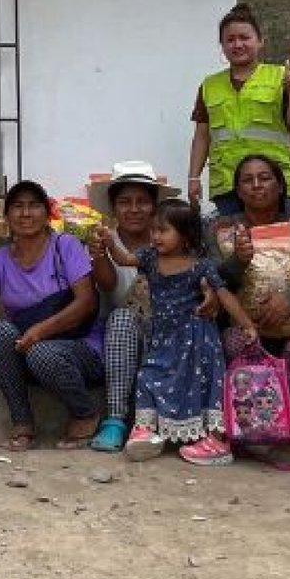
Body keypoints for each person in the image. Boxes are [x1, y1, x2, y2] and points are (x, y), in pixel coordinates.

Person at [205, 153, 290, 457]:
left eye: (265, 178)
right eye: (247, 180)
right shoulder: (222, 230)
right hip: (249, 329)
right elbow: (214, 279)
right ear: (238, 191)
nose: (256, 186)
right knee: (235, 341)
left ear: (280, 186)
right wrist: (237, 262)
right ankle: (256, 420)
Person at [101, 199, 254, 464]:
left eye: (163, 230)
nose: (155, 236)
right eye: (154, 230)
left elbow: (225, 296)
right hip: (163, 337)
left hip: (197, 339)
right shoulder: (149, 257)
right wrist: (109, 243)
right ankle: (145, 430)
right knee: (149, 376)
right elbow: (124, 258)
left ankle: (217, 441)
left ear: (185, 235)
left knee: (203, 386)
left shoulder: (201, 265)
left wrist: (247, 324)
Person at [0, 181, 101, 451]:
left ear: (47, 213)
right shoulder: (0, 259)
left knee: (41, 353)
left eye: (34, 206)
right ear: (7, 217)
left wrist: (40, 331)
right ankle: (22, 423)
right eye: (18, 207)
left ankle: (85, 413)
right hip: (29, 350)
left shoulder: (65, 246)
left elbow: (86, 303)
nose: (26, 213)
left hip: (79, 349)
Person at [83, 161, 179, 452]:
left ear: (155, 207)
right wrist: (100, 256)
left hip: (164, 334)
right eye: (125, 202)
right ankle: (115, 419)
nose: (134, 209)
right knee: (123, 318)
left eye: (142, 202)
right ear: (113, 208)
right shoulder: (105, 242)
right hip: (119, 339)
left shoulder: (170, 241)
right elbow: (110, 287)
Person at [187, 4, 290, 216]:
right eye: (230, 39)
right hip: (227, 186)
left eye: (244, 37)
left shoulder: (281, 77)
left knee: (281, 247)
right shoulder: (209, 86)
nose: (237, 44)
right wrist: (194, 177)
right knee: (234, 246)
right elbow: (202, 136)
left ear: (260, 41)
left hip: (275, 184)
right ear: (222, 45)